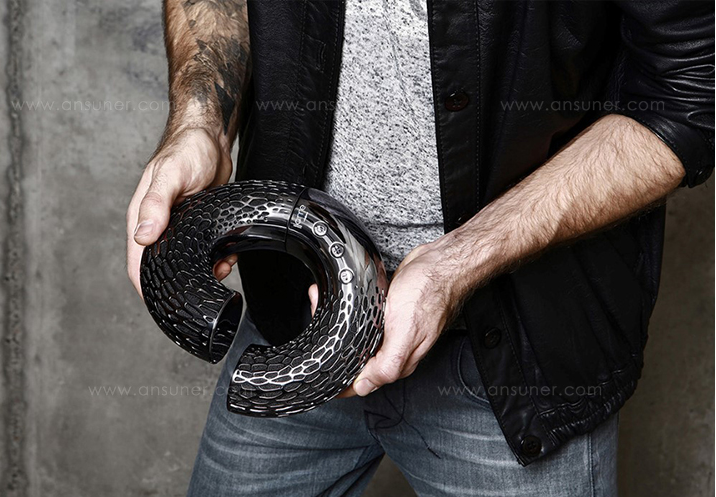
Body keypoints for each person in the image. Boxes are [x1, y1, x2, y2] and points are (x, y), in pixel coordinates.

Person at [126, 0, 714, 495]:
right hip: (291, 324)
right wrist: (200, 123)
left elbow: (688, 96)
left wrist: (458, 263)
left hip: (512, 359)